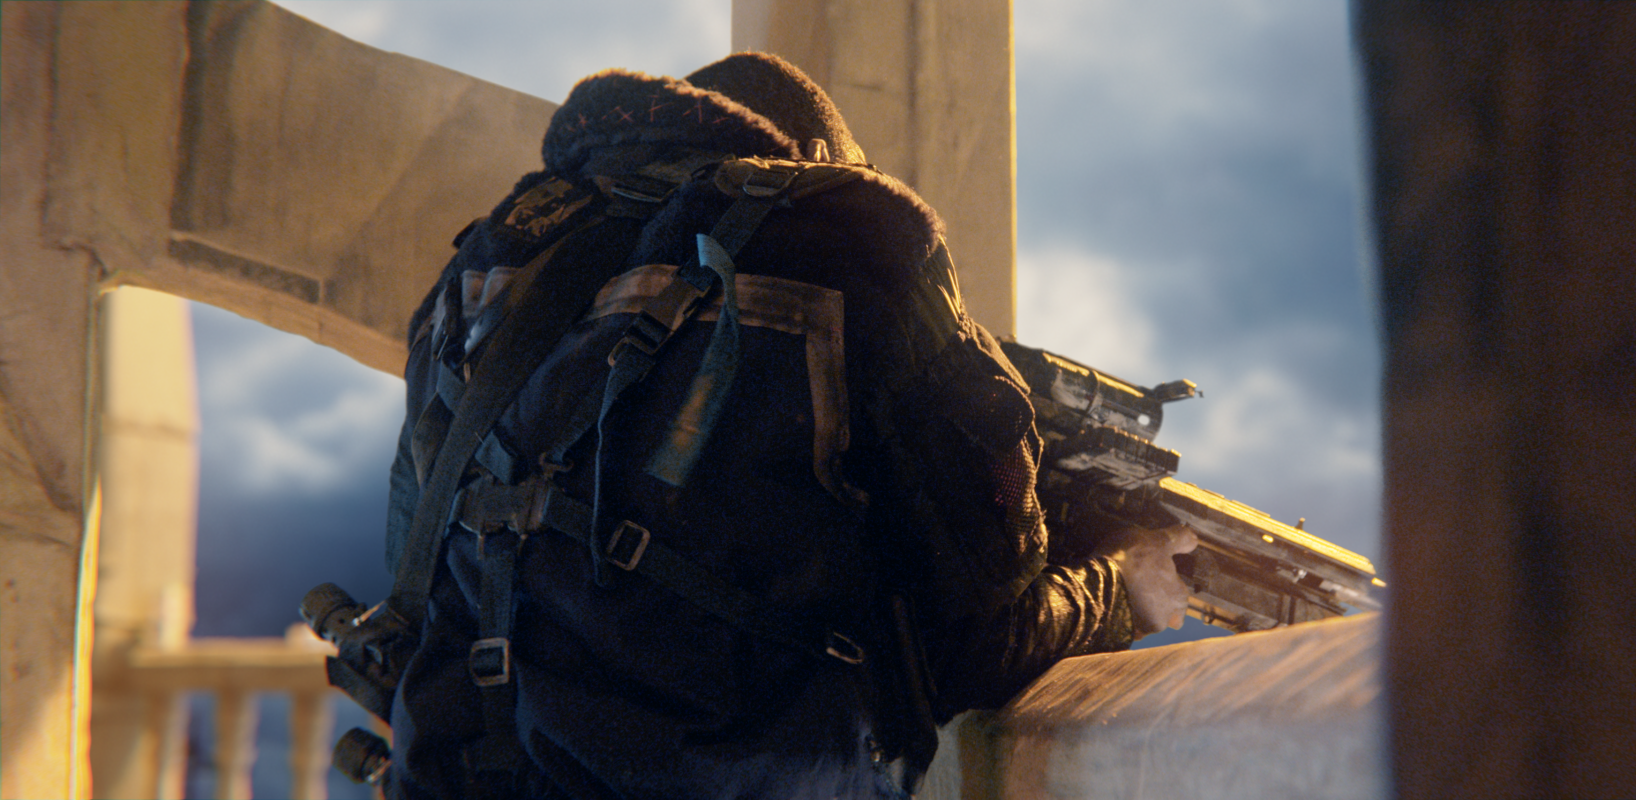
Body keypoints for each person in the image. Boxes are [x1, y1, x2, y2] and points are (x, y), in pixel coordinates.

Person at [377, 52, 1195, 799]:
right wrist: (1120, 588)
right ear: (822, 158)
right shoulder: (854, 240)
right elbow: (973, 647)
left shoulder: (493, 261)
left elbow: (416, 571)